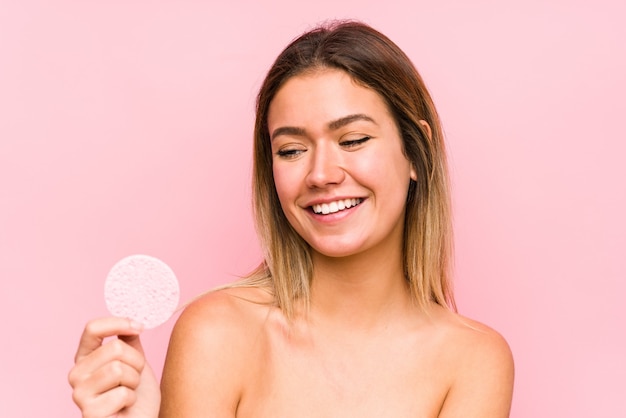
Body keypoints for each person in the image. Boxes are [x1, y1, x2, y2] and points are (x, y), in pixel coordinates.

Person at [69, 20, 514, 417]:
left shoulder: (474, 360)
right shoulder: (217, 333)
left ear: (415, 151)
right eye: (292, 150)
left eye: (354, 139)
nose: (321, 174)